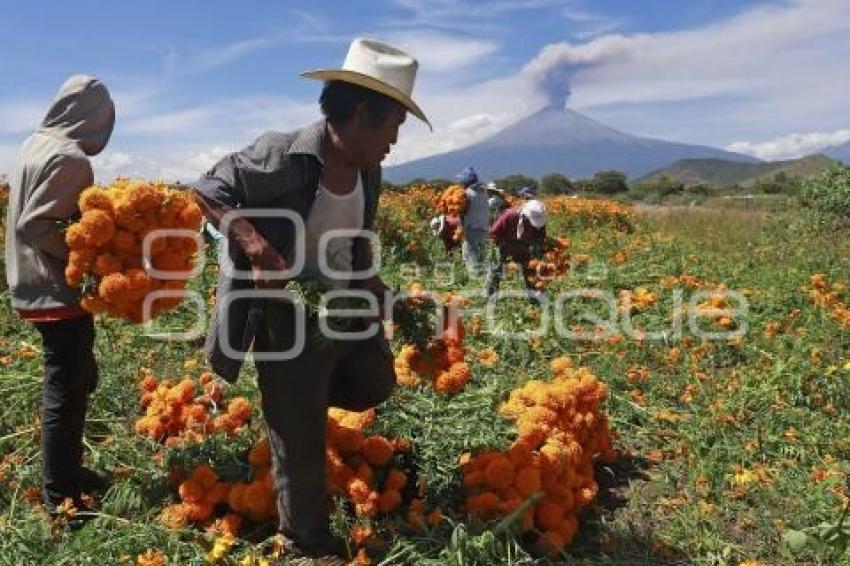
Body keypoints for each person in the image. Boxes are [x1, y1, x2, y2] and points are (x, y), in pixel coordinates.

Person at [193, 38, 429, 564]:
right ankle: (303, 543)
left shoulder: (369, 171)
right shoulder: (282, 153)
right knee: (298, 431)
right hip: (286, 315)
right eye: (392, 126)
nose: (394, 141)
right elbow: (208, 188)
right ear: (363, 112)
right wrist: (254, 245)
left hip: (341, 308)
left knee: (374, 381)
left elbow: (355, 245)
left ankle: (299, 411)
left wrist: (388, 298)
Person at [5, 75, 115, 514]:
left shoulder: (35, 145)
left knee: (76, 377)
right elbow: (35, 224)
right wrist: (85, 257)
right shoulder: (70, 158)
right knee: (65, 390)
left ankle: (69, 472)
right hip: (55, 290)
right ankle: (60, 496)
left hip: (31, 285)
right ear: (95, 118)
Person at [485, 199, 547, 304]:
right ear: (524, 215)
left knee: (530, 271)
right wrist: (500, 248)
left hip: (524, 247)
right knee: (496, 271)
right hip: (504, 244)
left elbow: (540, 238)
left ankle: (535, 300)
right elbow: (493, 233)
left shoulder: (539, 224)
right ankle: (490, 298)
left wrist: (539, 253)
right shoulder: (510, 215)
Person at [455, 166, 489, 274]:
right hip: (483, 229)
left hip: (471, 230)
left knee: (471, 258)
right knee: (481, 257)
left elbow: (461, 211)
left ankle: (474, 282)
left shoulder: (467, 194)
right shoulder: (483, 193)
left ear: (466, 182)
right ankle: (481, 279)